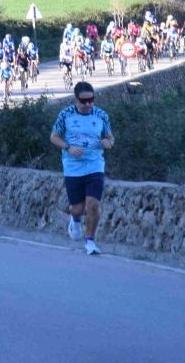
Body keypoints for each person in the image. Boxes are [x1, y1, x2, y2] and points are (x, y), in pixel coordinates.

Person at [50, 82, 115, 256]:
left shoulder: (101, 115)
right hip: (73, 167)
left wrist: (108, 143)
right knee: (77, 208)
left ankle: (90, 241)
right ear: (76, 99)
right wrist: (68, 147)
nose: (87, 104)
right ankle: (75, 218)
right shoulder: (66, 115)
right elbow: (54, 137)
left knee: (93, 205)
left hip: (95, 165)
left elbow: (110, 137)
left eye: (91, 100)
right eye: (83, 101)